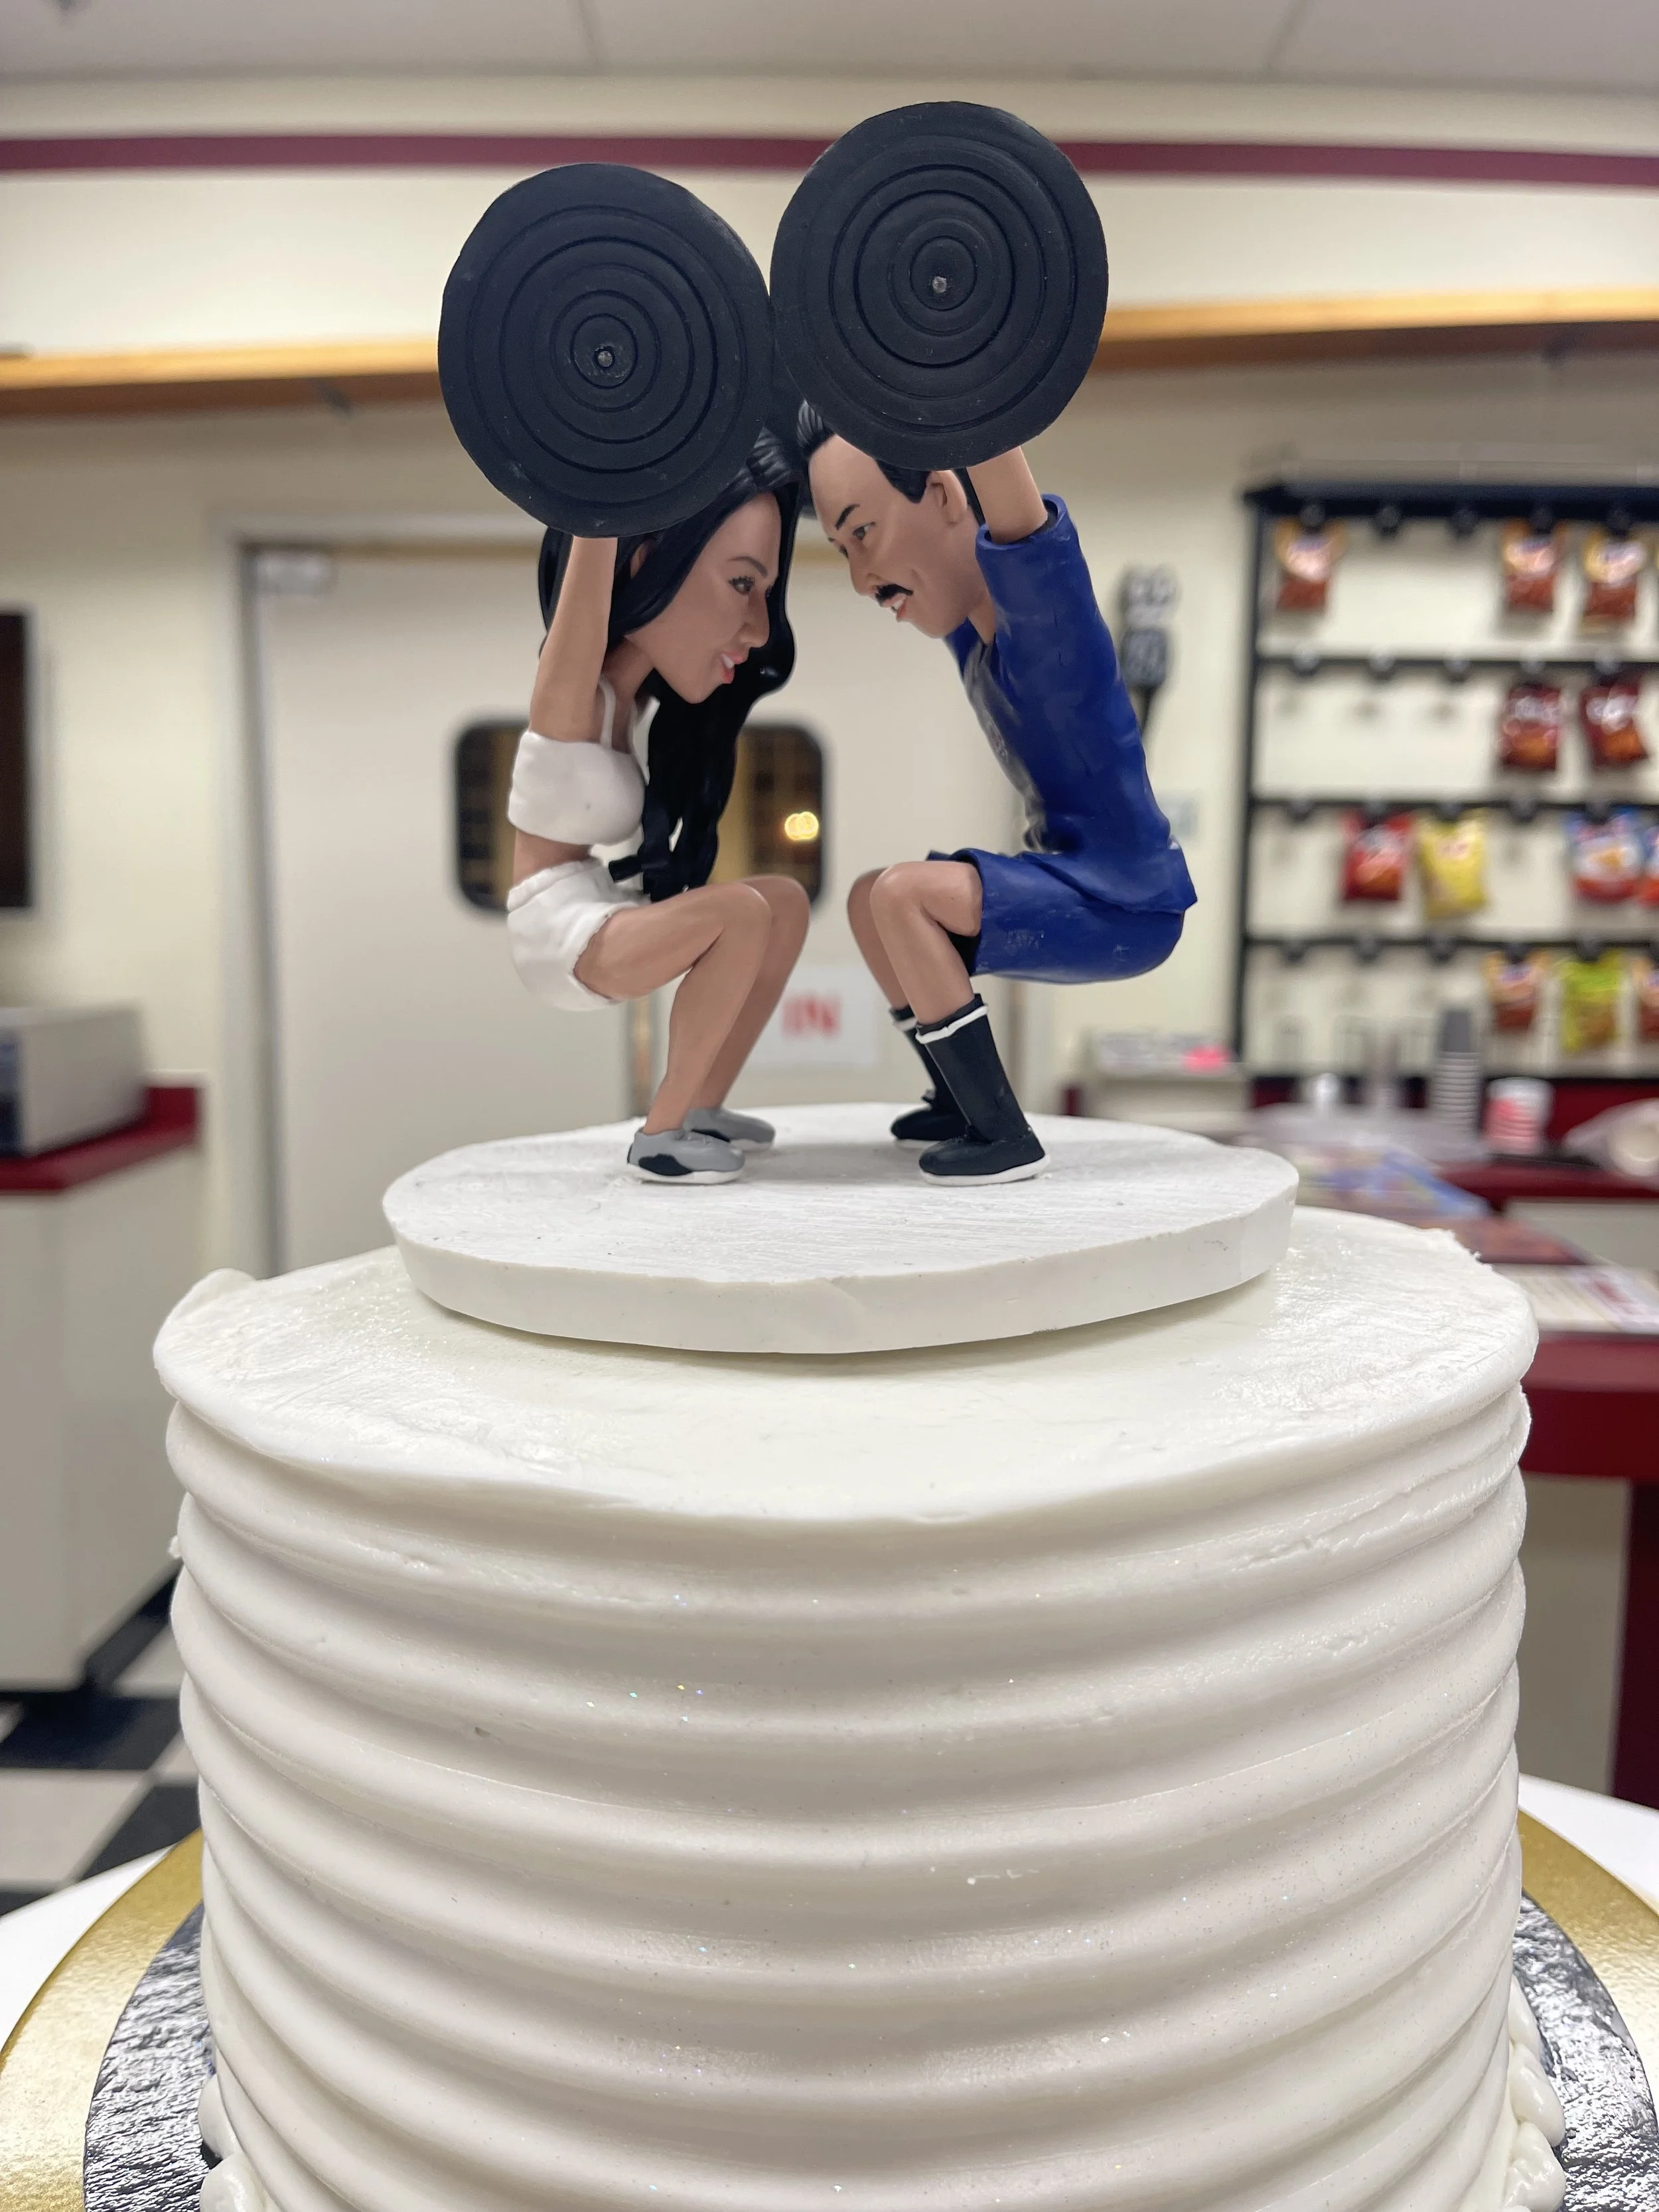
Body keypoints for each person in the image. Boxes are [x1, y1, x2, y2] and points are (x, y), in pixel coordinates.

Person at [798, 409, 1195, 1185]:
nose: (860, 578)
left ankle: (999, 1132)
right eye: (843, 549)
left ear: (946, 495)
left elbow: (1007, 491)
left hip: (1127, 897)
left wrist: (962, 381)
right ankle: (956, 1098)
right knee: (869, 899)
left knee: (904, 896)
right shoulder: (968, 635)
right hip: (1072, 879)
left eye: (864, 533)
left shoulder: (1048, 624)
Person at [506, 435, 808, 1184]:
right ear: (645, 562)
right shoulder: (572, 698)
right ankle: (662, 1135)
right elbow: (593, 559)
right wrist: (605, 465)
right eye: (742, 583)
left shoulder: (635, 704)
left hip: (596, 907)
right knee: (740, 914)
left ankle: (702, 1104)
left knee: (783, 903)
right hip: (553, 931)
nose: (759, 628)